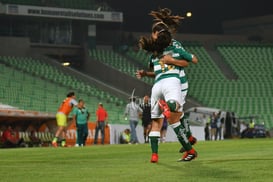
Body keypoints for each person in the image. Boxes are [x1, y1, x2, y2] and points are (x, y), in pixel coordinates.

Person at [136, 8, 198, 162]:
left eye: (153, 33)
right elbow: (158, 71)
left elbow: (189, 62)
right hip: (169, 82)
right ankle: (188, 140)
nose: (152, 36)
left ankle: (187, 144)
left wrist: (171, 61)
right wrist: (145, 73)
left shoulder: (173, 45)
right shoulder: (157, 50)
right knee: (175, 117)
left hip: (179, 83)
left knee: (172, 118)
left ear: (158, 33)